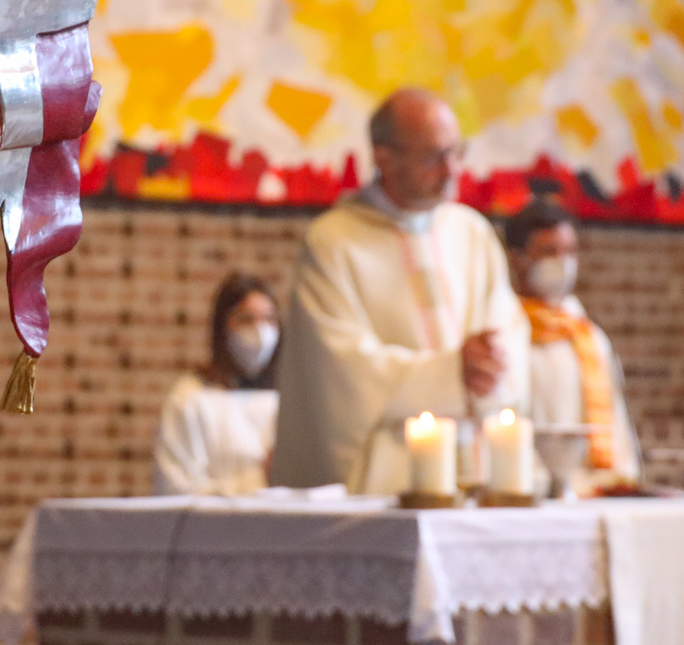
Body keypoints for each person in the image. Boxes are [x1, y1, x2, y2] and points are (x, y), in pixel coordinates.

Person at [271, 87, 529, 494]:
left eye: (455, 152)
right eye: (433, 157)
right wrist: (451, 374)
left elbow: (509, 332)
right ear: (385, 158)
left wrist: (490, 364)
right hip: (384, 489)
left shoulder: (472, 234)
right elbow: (342, 373)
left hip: (475, 475)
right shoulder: (335, 242)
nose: (450, 170)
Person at [504, 199, 640, 488]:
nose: (563, 262)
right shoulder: (504, 332)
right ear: (517, 258)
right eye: (549, 251)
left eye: (570, 251)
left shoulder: (587, 335)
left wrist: (624, 477)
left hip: (594, 487)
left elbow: (616, 421)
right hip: (530, 487)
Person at [153, 273, 281, 495]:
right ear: (223, 329)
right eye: (246, 319)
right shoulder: (190, 399)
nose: (261, 332)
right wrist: (256, 482)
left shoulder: (287, 399)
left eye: (269, 319)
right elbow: (175, 488)